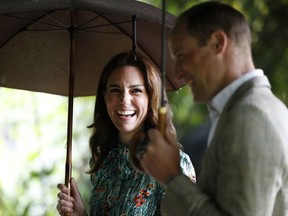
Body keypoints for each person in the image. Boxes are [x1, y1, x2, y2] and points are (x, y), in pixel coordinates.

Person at [140, 1, 288, 216]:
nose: (178, 73)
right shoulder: (251, 110)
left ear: (218, 42)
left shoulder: (250, 117)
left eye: (182, 56)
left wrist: (172, 177)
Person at [56, 51, 196, 215]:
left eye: (136, 90)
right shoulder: (104, 163)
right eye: (115, 90)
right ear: (104, 96)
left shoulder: (174, 164)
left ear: (151, 96)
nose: (124, 100)